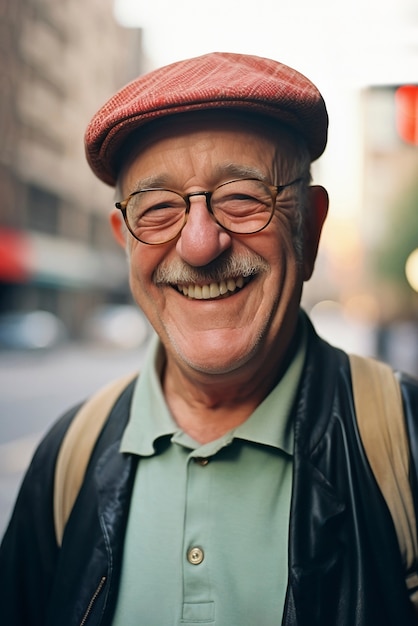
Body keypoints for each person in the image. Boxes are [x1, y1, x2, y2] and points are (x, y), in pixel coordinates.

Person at [1, 51, 417, 626]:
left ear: (311, 228)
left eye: (243, 198)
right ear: (125, 240)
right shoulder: (66, 458)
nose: (199, 245)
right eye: (158, 208)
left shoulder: (406, 440)